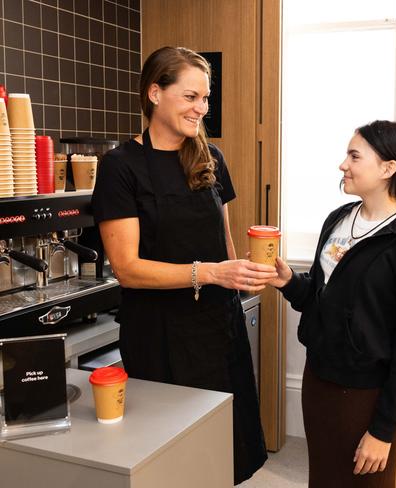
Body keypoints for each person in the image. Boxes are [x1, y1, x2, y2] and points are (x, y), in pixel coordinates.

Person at [91, 46, 276, 485]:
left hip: (217, 327)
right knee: (172, 461)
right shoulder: (121, 167)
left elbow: (224, 240)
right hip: (159, 337)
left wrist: (242, 272)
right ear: (155, 93)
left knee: (223, 455)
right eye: (191, 96)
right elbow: (127, 268)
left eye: (206, 99)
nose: (202, 109)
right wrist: (211, 272)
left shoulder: (210, 158)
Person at [269, 121, 396, 487]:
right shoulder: (337, 220)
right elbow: (323, 301)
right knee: (322, 478)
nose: (342, 165)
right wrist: (288, 282)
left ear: (387, 169)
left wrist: (383, 430)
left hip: (367, 397)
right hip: (319, 381)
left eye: (354, 156)